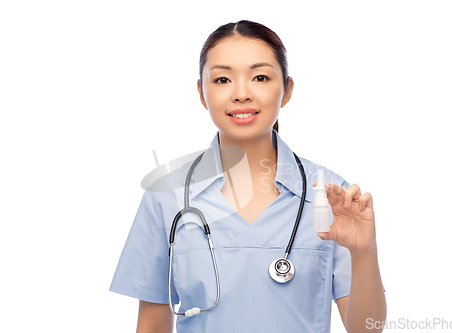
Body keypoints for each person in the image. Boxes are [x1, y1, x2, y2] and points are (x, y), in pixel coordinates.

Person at [110, 20, 386, 333]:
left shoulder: (332, 196)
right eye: (223, 79)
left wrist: (364, 253)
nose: (241, 94)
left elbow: (368, 329)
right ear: (202, 93)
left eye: (260, 77)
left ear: (287, 90)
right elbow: (151, 326)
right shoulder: (166, 195)